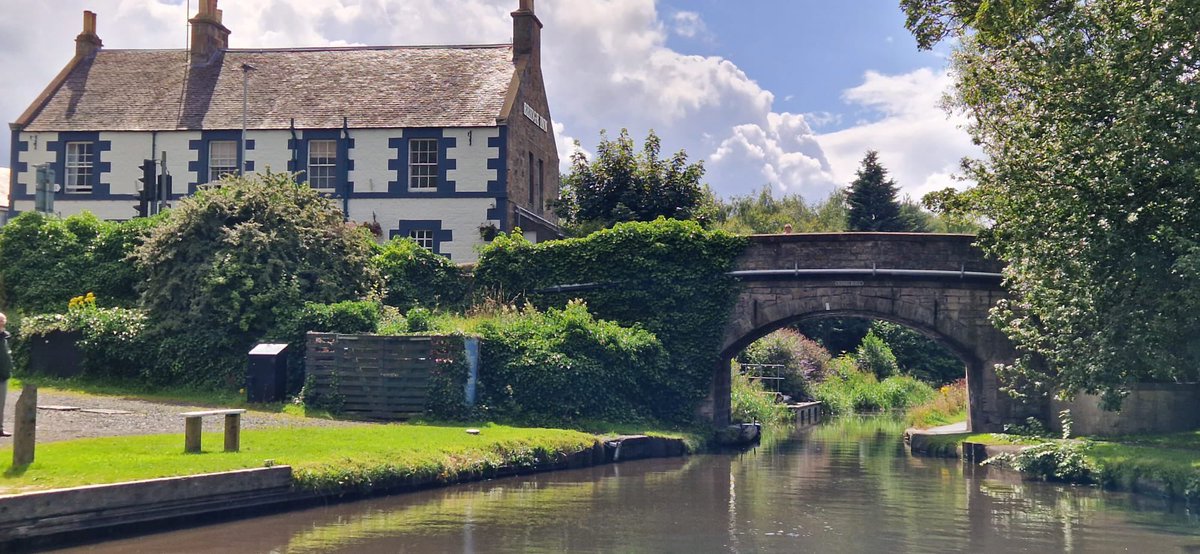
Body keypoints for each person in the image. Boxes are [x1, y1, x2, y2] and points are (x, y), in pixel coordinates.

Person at [0, 312, 10, 437]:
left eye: (2, 321)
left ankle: (0, 428)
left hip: (3, 375)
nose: (1, 323)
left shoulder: (4, 337)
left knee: (1, 404)